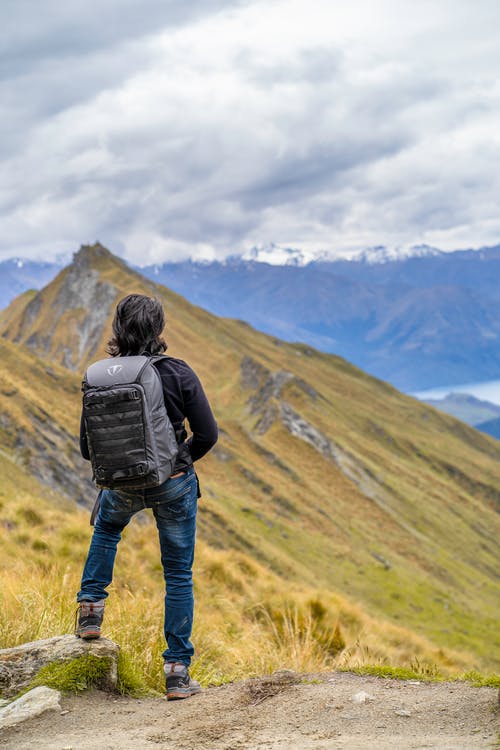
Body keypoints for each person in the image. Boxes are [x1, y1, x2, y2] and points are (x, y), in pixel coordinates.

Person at [75, 294, 218, 700]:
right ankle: (176, 672)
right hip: (171, 483)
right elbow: (208, 434)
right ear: (158, 330)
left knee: (105, 534)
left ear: (118, 328)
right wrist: (177, 460)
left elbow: (88, 449)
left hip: (118, 484)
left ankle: (90, 612)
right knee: (177, 574)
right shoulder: (176, 372)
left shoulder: (98, 375)